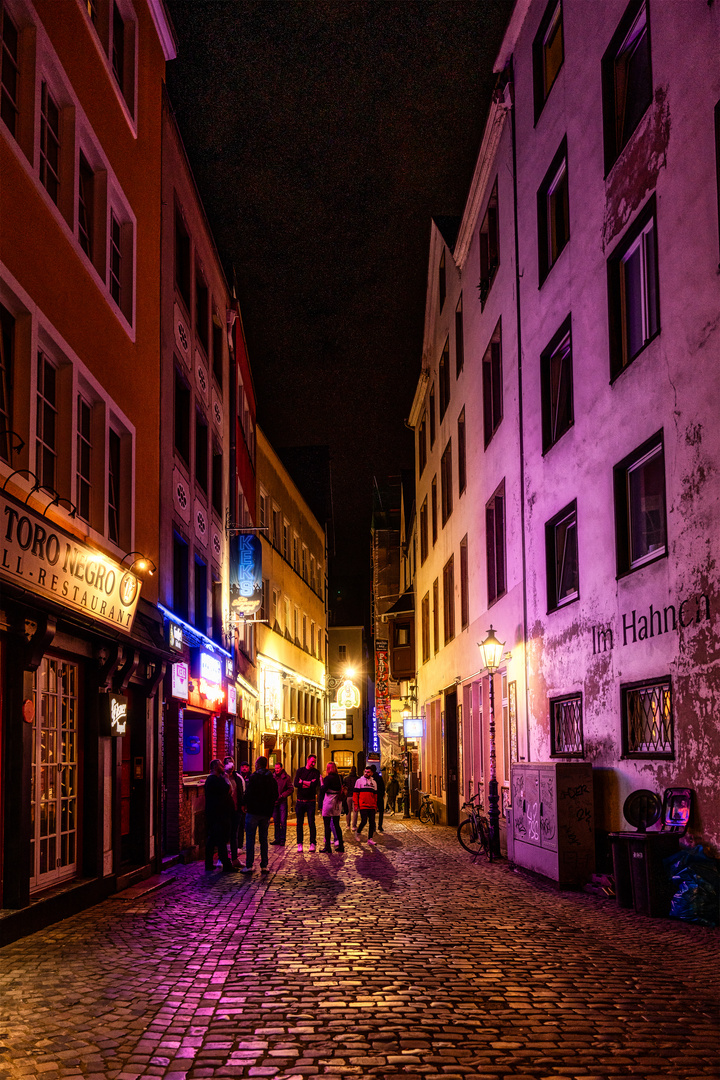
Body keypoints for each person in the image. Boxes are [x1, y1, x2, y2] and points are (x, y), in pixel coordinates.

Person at [241, 756, 279, 874]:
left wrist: (244, 804)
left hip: (253, 812)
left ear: (257, 764)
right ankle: (264, 865)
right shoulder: (271, 779)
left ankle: (249, 865)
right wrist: (270, 807)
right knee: (263, 839)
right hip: (266, 813)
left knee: (250, 838)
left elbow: (248, 793)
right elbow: (275, 795)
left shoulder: (253, 777)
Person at [204, 759, 237, 872]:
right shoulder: (213, 780)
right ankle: (227, 865)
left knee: (213, 839)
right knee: (221, 840)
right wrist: (227, 780)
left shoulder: (218, 779)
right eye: (220, 765)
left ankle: (209, 864)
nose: (223, 766)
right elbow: (228, 790)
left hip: (220, 814)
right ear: (215, 767)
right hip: (217, 815)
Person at [294, 753, 321, 852]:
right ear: (307, 760)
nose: (313, 763)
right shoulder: (300, 771)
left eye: (314, 762)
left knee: (311, 823)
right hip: (300, 801)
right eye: (312, 761)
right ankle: (299, 843)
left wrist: (303, 782)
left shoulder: (316, 772)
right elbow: (296, 783)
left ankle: (312, 843)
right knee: (299, 823)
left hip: (311, 801)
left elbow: (314, 785)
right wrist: (308, 783)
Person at [224, 756, 245, 866]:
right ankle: (221, 859)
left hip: (236, 810)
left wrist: (242, 806)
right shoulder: (222, 777)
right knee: (224, 835)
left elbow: (241, 792)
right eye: (228, 763)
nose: (231, 766)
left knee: (234, 835)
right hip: (225, 811)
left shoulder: (237, 778)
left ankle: (234, 859)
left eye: (232, 763)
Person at [320, 762, 345, 853]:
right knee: (337, 824)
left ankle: (327, 847)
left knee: (327, 825)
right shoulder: (339, 778)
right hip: (337, 803)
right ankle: (341, 845)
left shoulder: (328, 778)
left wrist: (321, 782)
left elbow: (323, 789)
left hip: (329, 801)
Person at [354, 765, 378, 845]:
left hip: (371, 805)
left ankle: (370, 839)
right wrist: (356, 804)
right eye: (365, 772)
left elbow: (375, 795)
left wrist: (375, 805)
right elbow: (356, 793)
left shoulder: (374, 783)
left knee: (372, 822)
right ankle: (358, 832)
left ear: (371, 773)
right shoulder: (359, 781)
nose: (366, 773)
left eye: (368, 772)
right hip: (363, 805)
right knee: (364, 821)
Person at [271, 760, 293, 846]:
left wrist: (282, 795)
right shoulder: (272, 777)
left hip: (282, 801)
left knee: (283, 821)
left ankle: (282, 839)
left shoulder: (286, 777)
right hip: (274, 801)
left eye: (278, 768)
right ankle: (277, 838)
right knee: (276, 821)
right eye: (275, 768)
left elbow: (291, 789)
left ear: (281, 768)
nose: (276, 770)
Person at [236, 761, 251, 850]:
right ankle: (239, 845)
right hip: (239, 804)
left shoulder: (251, 777)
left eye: (246, 767)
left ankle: (244, 843)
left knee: (247, 824)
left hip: (248, 804)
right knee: (240, 824)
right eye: (243, 766)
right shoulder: (237, 777)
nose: (244, 768)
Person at [370, 764, 386, 832]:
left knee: (372, 812)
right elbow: (382, 787)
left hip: (372, 797)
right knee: (381, 811)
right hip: (379, 796)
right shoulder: (379, 777)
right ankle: (380, 826)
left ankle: (373, 826)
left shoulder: (370, 778)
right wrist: (382, 795)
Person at [344, 766, 358, 831]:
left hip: (348, 796)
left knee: (348, 811)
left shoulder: (346, 778)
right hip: (355, 796)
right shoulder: (358, 778)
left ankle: (348, 824)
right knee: (355, 811)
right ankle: (354, 825)